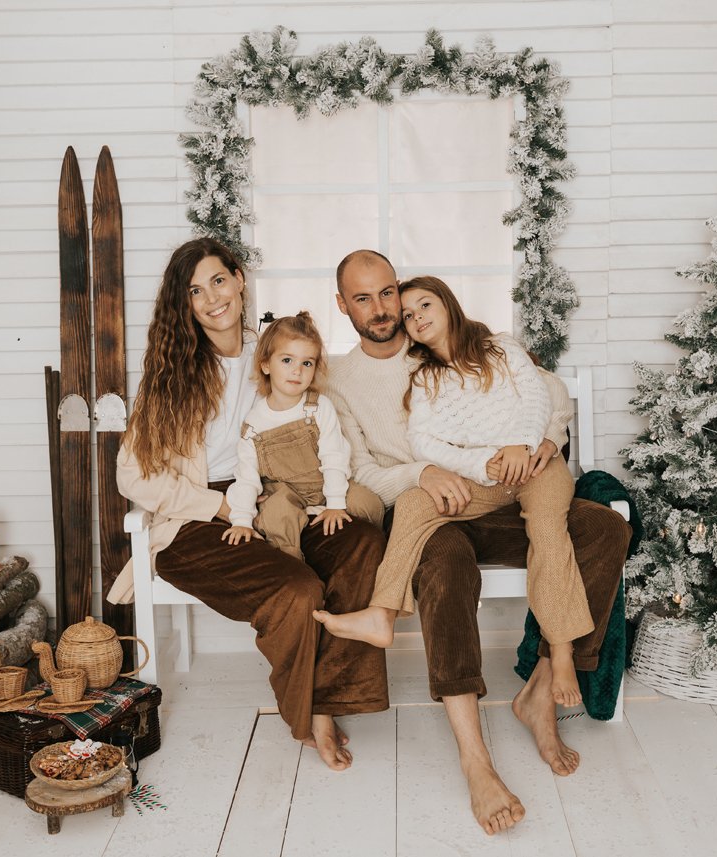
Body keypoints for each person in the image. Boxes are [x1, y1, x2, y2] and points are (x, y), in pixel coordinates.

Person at [323, 249, 631, 834]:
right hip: (433, 511)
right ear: (343, 306)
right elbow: (359, 470)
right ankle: (475, 756)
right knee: (447, 565)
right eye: (363, 299)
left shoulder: (467, 346)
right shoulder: (339, 381)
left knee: (603, 527)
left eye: (389, 293)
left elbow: (545, 393)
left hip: (504, 492)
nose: (383, 309)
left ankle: (545, 683)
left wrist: (544, 440)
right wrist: (422, 474)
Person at [104, 238, 388, 771]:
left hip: (278, 498)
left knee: (362, 544)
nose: (212, 298)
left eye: (218, 280)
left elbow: (320, 423)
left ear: (238, 279)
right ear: (185, 305)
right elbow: (132, 474)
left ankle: (329, 699)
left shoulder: (275, 352)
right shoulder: (173, 375)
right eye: (195, 291)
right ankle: (311, 716)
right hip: (197, 521)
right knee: (296, 589)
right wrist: (215, 505)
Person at [315, 277, 593, 709]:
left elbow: (538, 396)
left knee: (547, 528)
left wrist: (526, 443)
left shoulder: (499, 348)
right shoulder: (426, 379)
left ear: (448, 304)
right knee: (414, 501)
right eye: (409, 314)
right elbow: (424, 443)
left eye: (425, 305)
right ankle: (382, 613)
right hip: (489, 479)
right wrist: (482, 464)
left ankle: (560, 651)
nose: (417, 317)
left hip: (538, 468)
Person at [223, 311, 384, 558]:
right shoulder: (254, 423)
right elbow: (246, 477)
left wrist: (335, 504)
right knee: (277, 515)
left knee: (369, 503)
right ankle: (291, 561)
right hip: (286, 493)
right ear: (265, 365)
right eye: (287, 360)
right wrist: (241, 520)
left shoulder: (319, 407)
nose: (297, 371)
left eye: (307, 363)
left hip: (325, 483)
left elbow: (334, 457)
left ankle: (378, 552)